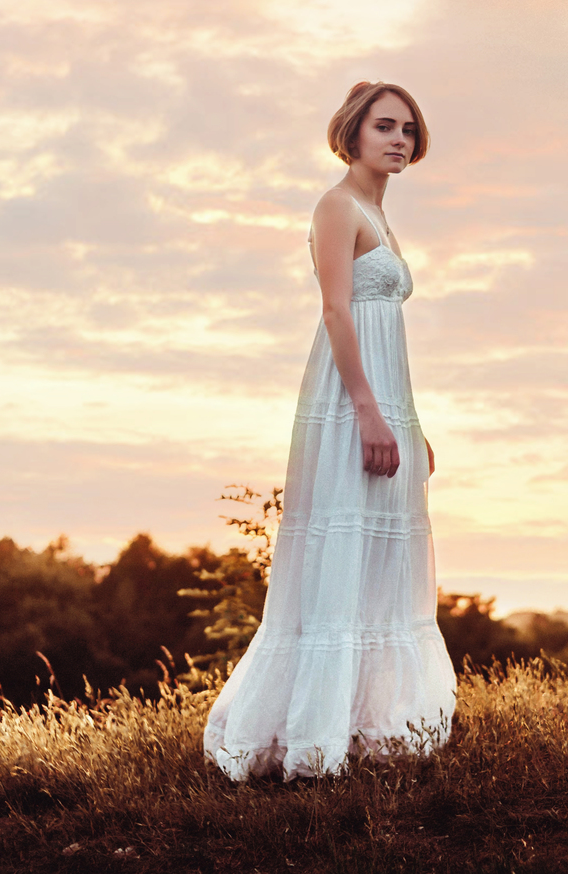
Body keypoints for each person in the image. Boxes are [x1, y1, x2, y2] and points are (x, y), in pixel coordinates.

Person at [202, 81, 458, 780]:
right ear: (353, 133)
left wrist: (412, 422)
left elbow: (387, 335)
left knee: (381, 561)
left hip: (383, 397)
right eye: (384, 126)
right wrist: (370, 413)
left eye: (408, 127)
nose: (399, 138)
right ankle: (311, 736)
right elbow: (340, 315)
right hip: (349, 401)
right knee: (342, 550)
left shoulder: (378, 209)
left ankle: (369, 721)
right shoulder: (337, 206)